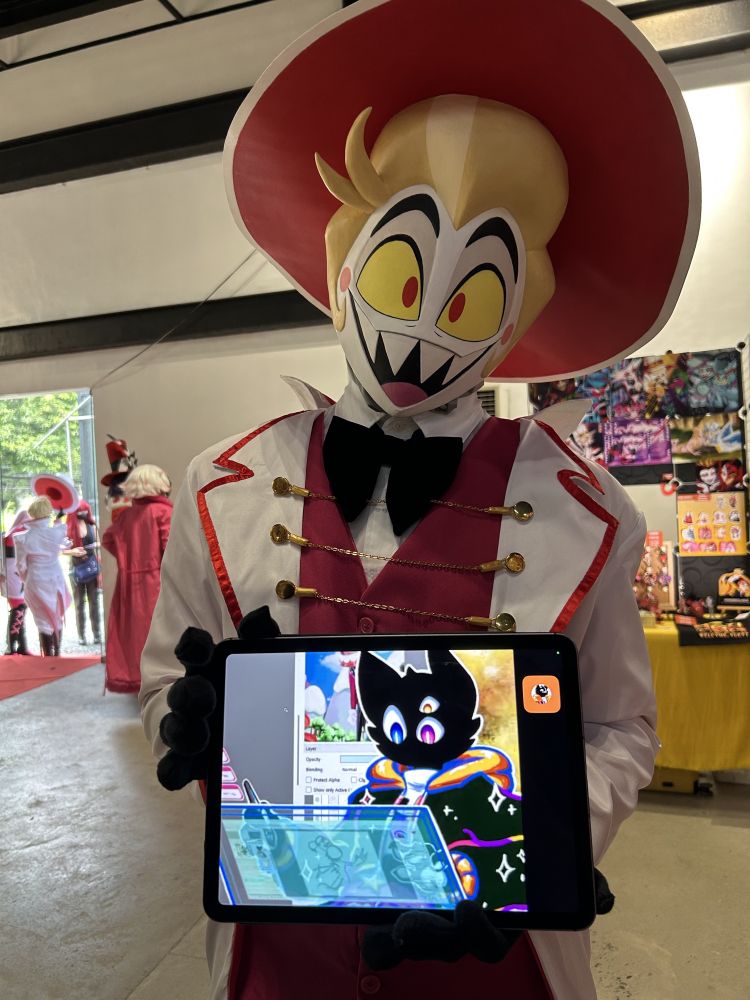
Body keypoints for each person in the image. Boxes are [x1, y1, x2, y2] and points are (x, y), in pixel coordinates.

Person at [138, 1, 700, 997]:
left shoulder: (585, 509)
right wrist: (189, 726)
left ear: (514, 314)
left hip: (496, 963)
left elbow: (619, 729)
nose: (424, 327)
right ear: (343, 266)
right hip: (277, 955)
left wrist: (539, 850)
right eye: (401, 272)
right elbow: (162, 686)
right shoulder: (221, 483)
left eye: (471, 294)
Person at [102, 464, 172, 693]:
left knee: (131, 635)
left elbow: (108, 539)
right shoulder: (163, 512)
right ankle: (160, 684)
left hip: (128, 584)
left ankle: (135, 680)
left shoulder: (126, 516)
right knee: (159, 634)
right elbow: (171, 549)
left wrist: (128, 559)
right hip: (156, 583)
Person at [14, 496, 71, 657]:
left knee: (41, 620)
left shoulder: (23, 538)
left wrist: (25, 578)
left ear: (31, 513)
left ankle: (48, 657)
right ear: (48, 511)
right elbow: (57, 530)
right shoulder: (57, 532)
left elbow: (20, 565)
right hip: (56, 580)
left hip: (35, 580)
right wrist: (59, 519)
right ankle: (57, 653)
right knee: (57, 616)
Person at [64, 500, 102, 646]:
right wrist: (73, 551)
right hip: (76, 568)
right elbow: (62, 549)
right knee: (79, 603)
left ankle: (97, 633)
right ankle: (81, 635)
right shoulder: (68, 527)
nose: (83, 513)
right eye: (80, 511)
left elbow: (99, 541)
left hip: (91, 567)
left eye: (85, 511)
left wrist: (94, 546)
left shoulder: (91, 525)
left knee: (94, 601)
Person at [1, 510, 31, 654]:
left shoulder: (11, 533)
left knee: (20, 610)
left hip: (13, 575)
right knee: (19, 609)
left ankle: (19, 646)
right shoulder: (19, 532)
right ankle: (12, 647)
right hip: (14, 575)